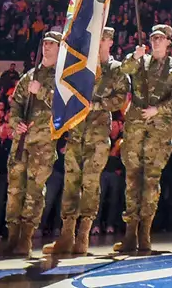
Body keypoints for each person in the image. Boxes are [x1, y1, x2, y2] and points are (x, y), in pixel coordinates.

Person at [49, 36, 126, 259]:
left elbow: (120, 99)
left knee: (91, 183)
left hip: (98, 135)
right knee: (71, 182)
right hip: (77, 132)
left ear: (110, 41)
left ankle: (83, 233)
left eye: (102, 39)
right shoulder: (82, 65)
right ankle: (66, 234)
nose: (97, 42)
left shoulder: (115, 69)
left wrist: (97, 104)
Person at [114, 24, 172, 255]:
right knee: (132, 180)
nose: (156, 42)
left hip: (159, 130)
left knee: (150, 181)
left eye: (160, 38)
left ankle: (144, 233)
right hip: (135, 127)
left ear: (168, 42)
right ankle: (129, 234)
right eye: (153, 38)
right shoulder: (141, 61)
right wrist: (134, 55)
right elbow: (124, 69)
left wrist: (159, 109)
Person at [0, 31, 63, 259]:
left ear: (61, 49)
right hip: (21, 141)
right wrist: (15, 123)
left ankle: (25, 239)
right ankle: (11, 238)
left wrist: (40, 90)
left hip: (43, 143)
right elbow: (16, 105)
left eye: (53, 44)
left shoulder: (62, 77)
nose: (48, 47)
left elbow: (63, 106)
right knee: (14, 190)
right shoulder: (29, 75)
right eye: (46, 43)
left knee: (34, 192)